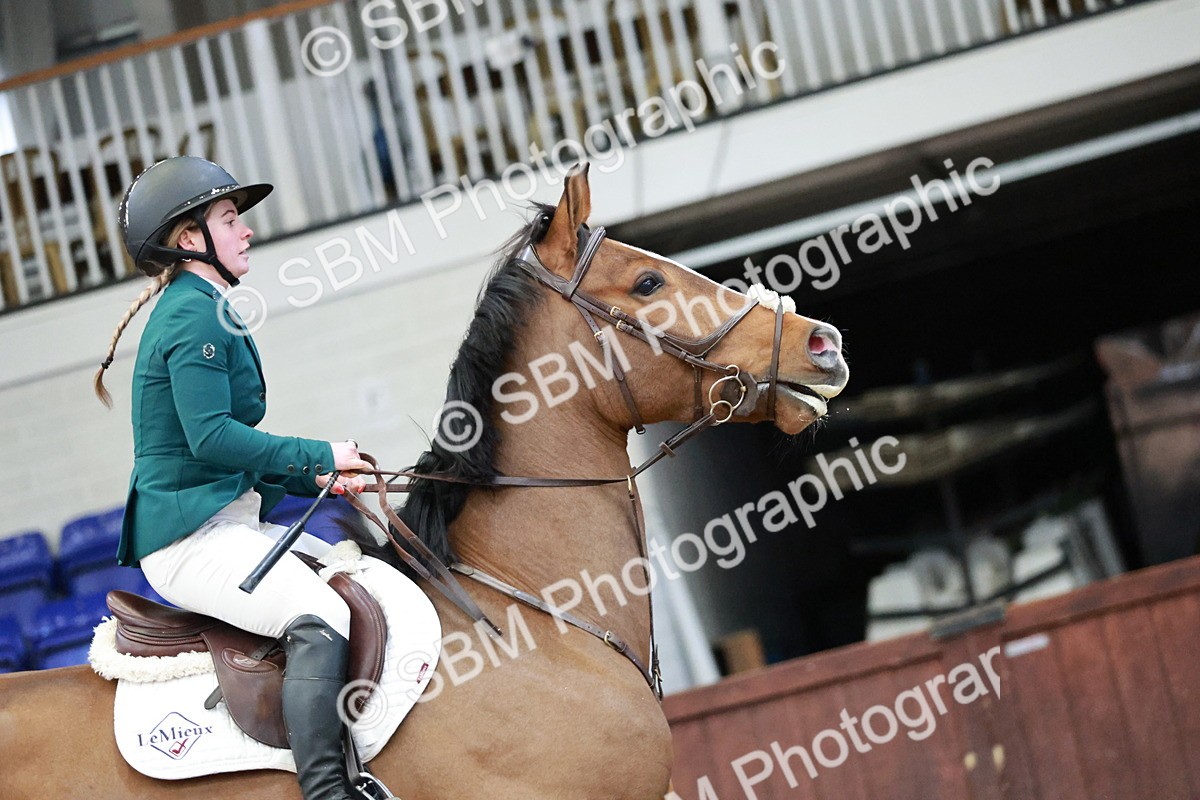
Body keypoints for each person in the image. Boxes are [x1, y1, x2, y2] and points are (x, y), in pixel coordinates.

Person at [94, 156, 372, 800]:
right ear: (190, 239)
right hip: (191, 540)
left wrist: (322, 477)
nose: (245, 230)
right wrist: (322, 452)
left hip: (227, 522)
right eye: (228, 219)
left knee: (353, 576)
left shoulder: (203, 307)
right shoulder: (192, 315)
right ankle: (326, 791)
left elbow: (230, 456)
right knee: (321, 612)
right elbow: (212, 438)